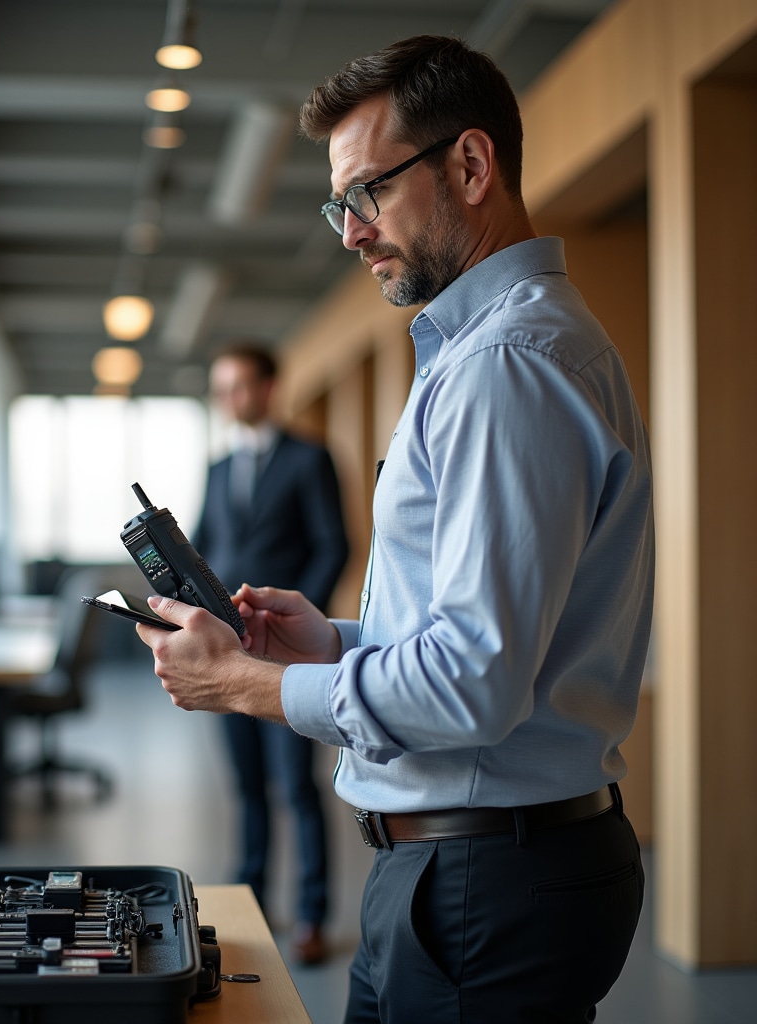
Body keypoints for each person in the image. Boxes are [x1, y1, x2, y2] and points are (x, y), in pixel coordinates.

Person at [135, 34, 654, 1024]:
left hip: (479, 882)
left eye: (366, 193)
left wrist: (252, 683)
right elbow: (483, 640)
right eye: (339, 204)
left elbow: (472, 682)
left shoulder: (508, 367)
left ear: (469, 166)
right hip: (467, 865)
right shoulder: (503, 355)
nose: (348, 232)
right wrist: (332, 640)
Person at [195, 341, 349, 965]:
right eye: (220, 388)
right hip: (229, 651)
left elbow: (332, 545)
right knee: (247, 785)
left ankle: (312, 913)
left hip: (284, 652)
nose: (229, 399)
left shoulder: (310, 459)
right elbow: (206, 544)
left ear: (268, 387)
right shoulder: (217, 467)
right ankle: (252, 899)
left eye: (238, 385)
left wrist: (293, 618)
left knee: (296, 786)